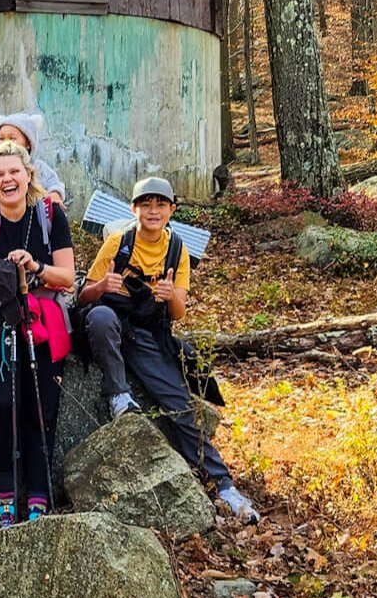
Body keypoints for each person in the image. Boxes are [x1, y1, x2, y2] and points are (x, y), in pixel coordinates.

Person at [78, 176, 259, 525]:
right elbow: (84, 297)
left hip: (148, 335)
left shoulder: (177, 251)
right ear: (134, 209)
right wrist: (102, 287)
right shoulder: (118, 242)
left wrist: (170, 295)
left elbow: (178, 313)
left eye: (160, 204)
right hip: (111, 325)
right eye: (146, 204)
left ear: (172, 209)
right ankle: (119, 395)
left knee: (180, 405)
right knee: (100, 317)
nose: (153, 211)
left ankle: (224, 485)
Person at [0, 141, 76, 526]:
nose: (7, 180)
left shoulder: (50, 214)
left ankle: (38, 492)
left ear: (28, 175)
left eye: (13, 172)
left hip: (42, 319)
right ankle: (6, 489)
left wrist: (35, 266)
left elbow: (67, 277)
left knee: (41, 408)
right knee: (5, 404)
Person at [0, 112, 67, 206]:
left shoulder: (39, 167)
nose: (6, 143)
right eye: (1, 138)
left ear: (28, 143)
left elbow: (54, 184)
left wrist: (55, 194)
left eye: (12, 138)